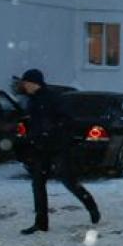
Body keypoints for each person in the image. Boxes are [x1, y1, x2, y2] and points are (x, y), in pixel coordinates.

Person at [15, 69, 99, 234]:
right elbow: (34, 124)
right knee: (38, 184)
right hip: (40, 149)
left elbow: (67, 120)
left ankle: (91, 206)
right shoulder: (31, 101)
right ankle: (41, 224)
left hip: (58, 148)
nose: (24, 86)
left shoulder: (52, 98)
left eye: (26, 83)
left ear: (34, 83)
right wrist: (32, 138)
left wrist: (53, 133)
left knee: (69, 181)